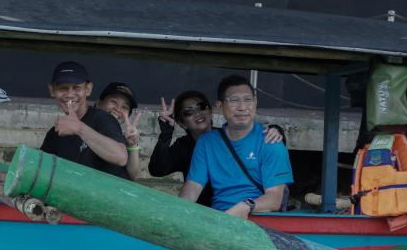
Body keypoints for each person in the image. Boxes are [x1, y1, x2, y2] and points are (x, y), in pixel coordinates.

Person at [0, 61, 127, 194]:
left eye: (76, 88)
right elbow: (40, 172)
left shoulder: (103, 119)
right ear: (52, 90)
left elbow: (121, 157)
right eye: (63, 88)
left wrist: (80, 128)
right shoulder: (54, 134)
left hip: (114, 214)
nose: (70, 94)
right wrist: (2, 176)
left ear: (88, 89)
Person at [178, 75, 293, 218]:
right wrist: (178, 212)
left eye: (248, 100)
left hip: (259, 221)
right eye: (234, 100)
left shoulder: (271, 141)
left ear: (255, 103)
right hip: (220, 219)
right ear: (220, 106)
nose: (242, 107)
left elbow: (274, 199)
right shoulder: (207, 143)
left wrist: (245, 206)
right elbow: (193, 188)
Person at [151, 89, 285, 206]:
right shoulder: (183, 146)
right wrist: (166, 133)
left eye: (201, 107)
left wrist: (276, 131)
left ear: (211, 110)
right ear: (181, 122)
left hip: (236, 209)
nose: (198, 113)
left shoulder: (229, 136)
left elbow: (266, 147)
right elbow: (157, 169)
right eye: (188, 112)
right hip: (201, 213)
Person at [96, 81, 143, 179]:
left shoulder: (124, 139)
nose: (118, 109)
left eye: (124, 107)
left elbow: (136, 177)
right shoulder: (83, 128)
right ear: (98, 103)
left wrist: (132, 144)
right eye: (113, 102)